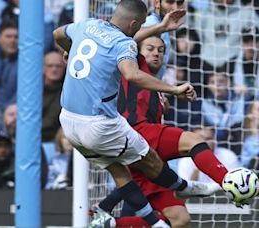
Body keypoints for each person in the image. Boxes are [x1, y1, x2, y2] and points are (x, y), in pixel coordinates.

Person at [53, 1, 218, 227]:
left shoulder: (87, 25)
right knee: (149, 158)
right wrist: (173, 89)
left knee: (119, 171)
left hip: (69, 122)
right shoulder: (123, 44)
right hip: (99, 124)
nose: (139, 29)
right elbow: (132, 75)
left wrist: (68, 50)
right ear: (133, 24)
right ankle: (184, 187)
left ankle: (142, 221)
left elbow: (57, 33)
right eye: (139, 25)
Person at [133, 0, 186, 78]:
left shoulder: (161, 25)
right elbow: (128, 39)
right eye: (170, 2)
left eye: (180, 3)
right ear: (157, 3)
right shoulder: (151, 23)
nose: (175, 8)